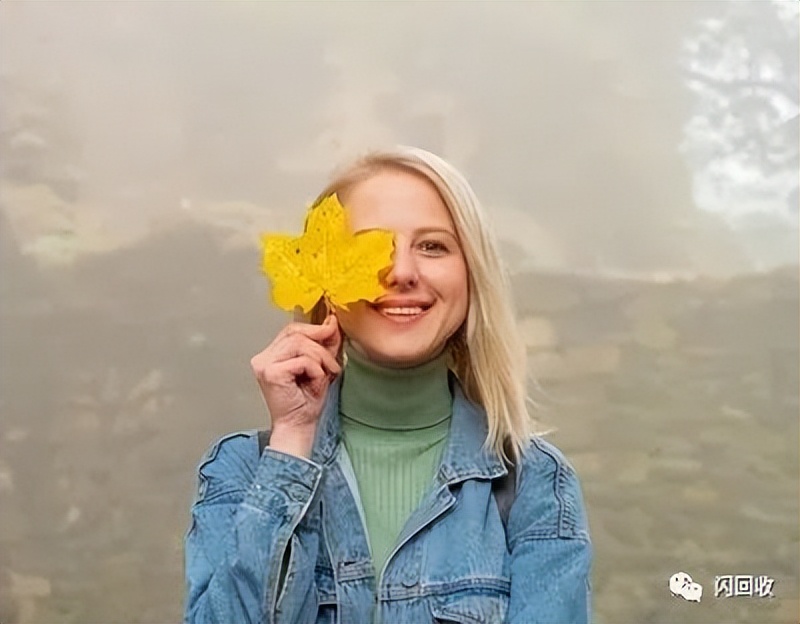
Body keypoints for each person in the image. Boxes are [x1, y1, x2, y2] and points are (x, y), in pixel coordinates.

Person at [183, 146, 592, 623]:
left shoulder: (534, 484)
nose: (401, 272)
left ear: (471, 274)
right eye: (371, 246)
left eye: (433, 246)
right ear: (323, 275)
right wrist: (292, 444)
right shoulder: (240, 472)